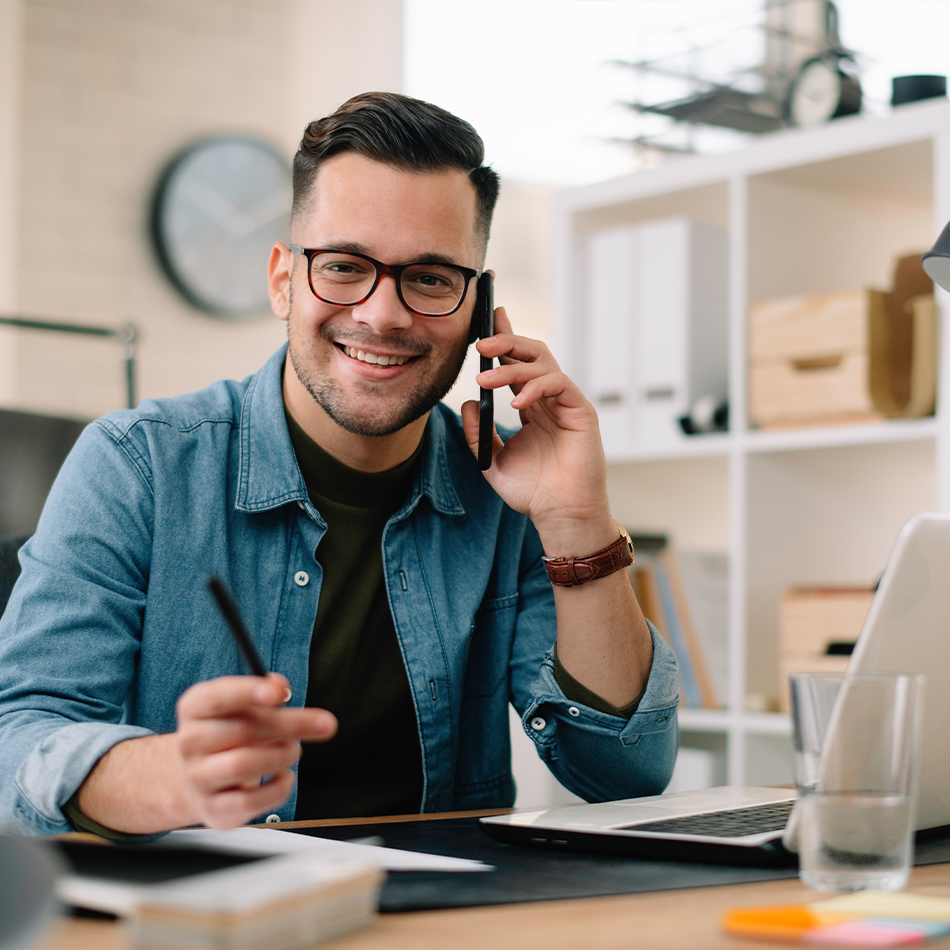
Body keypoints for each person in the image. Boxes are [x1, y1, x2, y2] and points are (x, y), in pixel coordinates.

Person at [0, 92, 678, 837]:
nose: (383, 314)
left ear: (479, 309)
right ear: (283, 281)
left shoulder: (506, 491)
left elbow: (627, 772)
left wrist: (577, 520)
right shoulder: (138, 465)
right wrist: (165, 776)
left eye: (428, 278)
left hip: (442, 916)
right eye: (346, 266)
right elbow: (20, 741)